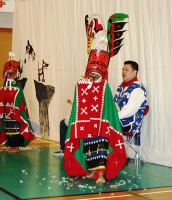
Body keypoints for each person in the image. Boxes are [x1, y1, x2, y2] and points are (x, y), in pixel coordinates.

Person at [64, 14, 127, 183]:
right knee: (89, 147)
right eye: (91, 73)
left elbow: (107, 106)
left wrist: (104, 122)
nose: (93, 75)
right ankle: (92, 171)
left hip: (101, 124)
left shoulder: (104, 86)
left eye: (96, 73)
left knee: (100, 147)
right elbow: (78, 103)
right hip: (86, 124)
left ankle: (101, 173)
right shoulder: (82, 84)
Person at [0, 57, 35, 152]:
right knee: (8, 128)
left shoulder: (17, 85)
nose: (9, 76)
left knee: (15, 128)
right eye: (8, 74)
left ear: (15, 74)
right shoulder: (5, 85)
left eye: (11, 74)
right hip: (7, 111)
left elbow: (18, 98)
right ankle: (11, 145)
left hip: (15, 111)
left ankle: (16, 147)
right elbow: (4, 96)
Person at [114, 61, 148, 146]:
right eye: (123, 69)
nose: (123, 72)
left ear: (134, 72)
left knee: (101, 126)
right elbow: (114, 104)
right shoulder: (121, 87)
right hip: (117, 120)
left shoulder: (138, 88)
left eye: (126, 69)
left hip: (129, 123)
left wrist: (113, 117)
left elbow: (130, 109)